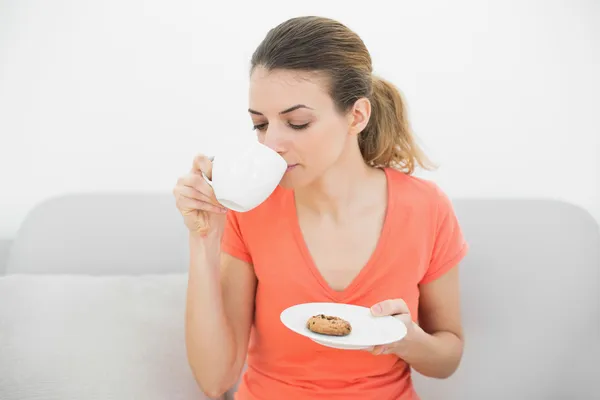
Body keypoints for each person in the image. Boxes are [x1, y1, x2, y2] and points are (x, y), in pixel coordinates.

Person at [173, 15, 469, 400]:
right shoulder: (253, 209)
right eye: (260, 124)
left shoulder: (426, 208)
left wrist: (405, 339)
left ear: (356, 116)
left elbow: (447, 359)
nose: (272, 143)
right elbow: (215, 381)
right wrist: (204, 238)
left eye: (297, 123)